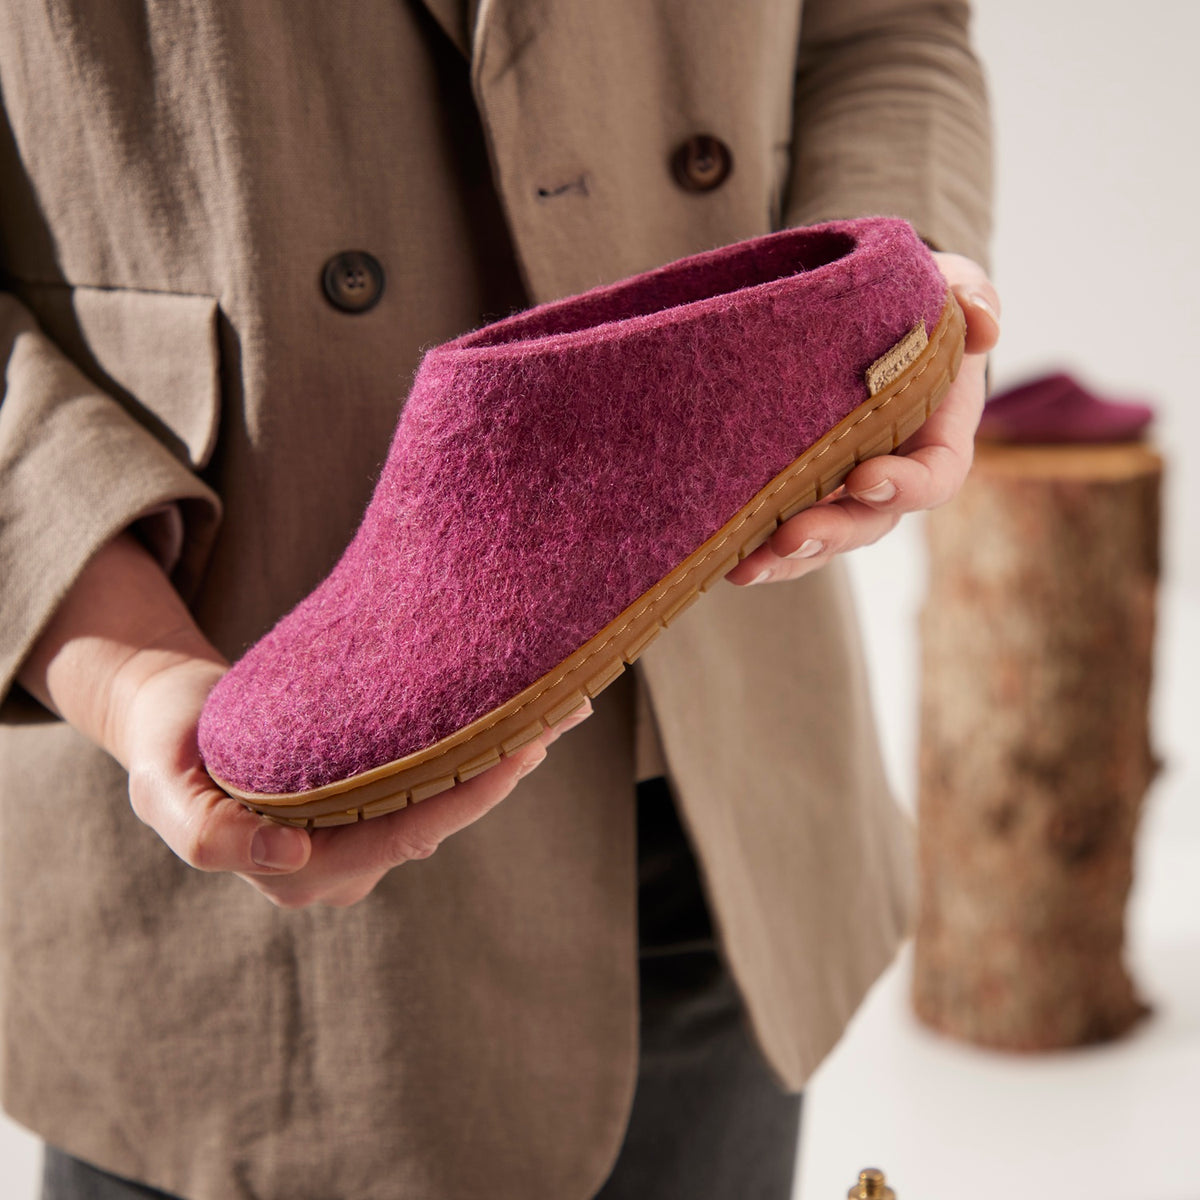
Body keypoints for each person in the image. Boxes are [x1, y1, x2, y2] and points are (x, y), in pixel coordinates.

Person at [0, 1, 997, 1197]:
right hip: (203, 686)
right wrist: (117, 645)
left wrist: (887, 304)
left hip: (722, 771)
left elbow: (882, 27)